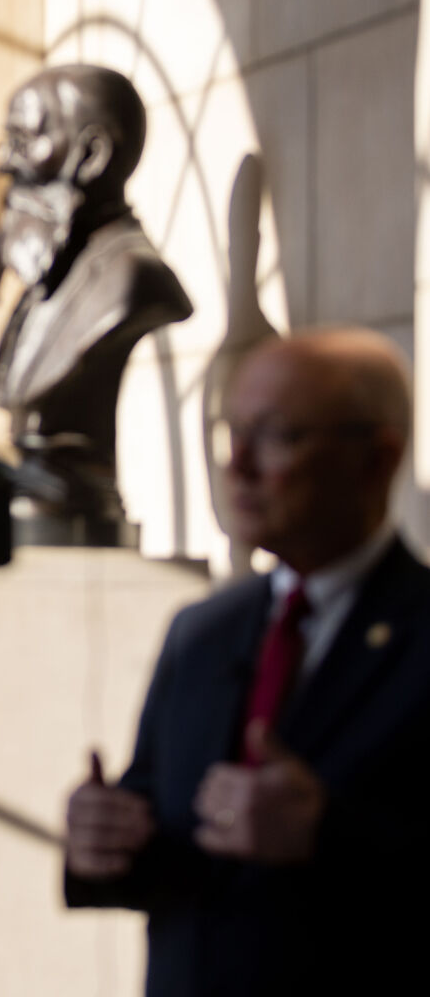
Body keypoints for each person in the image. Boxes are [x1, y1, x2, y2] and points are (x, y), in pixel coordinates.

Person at [63, 327, 430, 996]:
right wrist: (102, 840)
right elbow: (162, 834)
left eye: (276, 435)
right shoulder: (200, 632)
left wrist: (326, 835)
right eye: (230, 433)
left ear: (376, 460)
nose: (237, 466)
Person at [0, 64, 193, 533]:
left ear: (92, 156)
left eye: (22, 142)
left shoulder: (134, 280)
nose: (3, 161)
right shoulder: (50, 276)